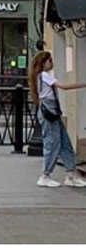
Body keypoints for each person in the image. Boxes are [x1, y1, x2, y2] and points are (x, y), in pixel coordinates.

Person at [30, 50, 86, 187]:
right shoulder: (44, 75)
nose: (52, 63)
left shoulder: (42, 76)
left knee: (65, 142)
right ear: (43, 63)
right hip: (49, 112)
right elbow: (64, 86)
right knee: (53, 143)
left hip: (52, 112)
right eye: (50, 60)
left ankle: (71, 174)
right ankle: (45, 175)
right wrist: (83, 84)